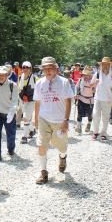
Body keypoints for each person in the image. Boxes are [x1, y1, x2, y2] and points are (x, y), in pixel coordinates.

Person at [33, 57, 74, 185]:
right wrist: (36, 119)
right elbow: (38, 102)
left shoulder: (64, 82)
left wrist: (66, 120)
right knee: (41, 145)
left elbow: (68, 101)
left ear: (56, 68)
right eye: (45, 68)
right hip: (44, 118)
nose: (48, 70)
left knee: (61, 146)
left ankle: (62, 157)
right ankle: (43, 172)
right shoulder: (39, 83)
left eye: (50, 68)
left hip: (59, 120)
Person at [0, 66, 19, 160]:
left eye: (3, 75)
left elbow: (15, 100)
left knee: (10, 134)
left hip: (9, 113)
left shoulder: (12, 85)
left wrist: (11, 113)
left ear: (7, 75)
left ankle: (11, 149)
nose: (1, 76)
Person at [91, 57, 112, 140]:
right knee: (95, 115)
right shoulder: (97, 74)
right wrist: (94, 83)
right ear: (101, 65)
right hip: (97, 98)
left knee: (106, 117)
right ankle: (95, 132)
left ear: (110, 65)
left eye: (107, 64)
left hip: (108, 99)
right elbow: (91, 85)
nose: (105, 66)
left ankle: (103, 133)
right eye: (104, 64)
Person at [18, 61, 38, 144]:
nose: (25, 69)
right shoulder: (20, 77)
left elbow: (38, 91)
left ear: (30, 69)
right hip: (22, 100)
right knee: (28, 117)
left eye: (27, 67)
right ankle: (32, 129)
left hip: (32, 101)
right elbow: (18, 89)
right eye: (24, 67)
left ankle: (24, 136)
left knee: (26, 117)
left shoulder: (35, 78)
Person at [74, 67, 95, 134]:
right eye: (84, 75)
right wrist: (75, 94)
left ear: (90, 75)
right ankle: (78, 127)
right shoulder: (80, 80)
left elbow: (96, 91)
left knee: (90, 114)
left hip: (90, 101)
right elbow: (76, 87)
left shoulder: (93, 82)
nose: (85, 76)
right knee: (79, 113)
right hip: (81, 99)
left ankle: (89, 124)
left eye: (87, 75)